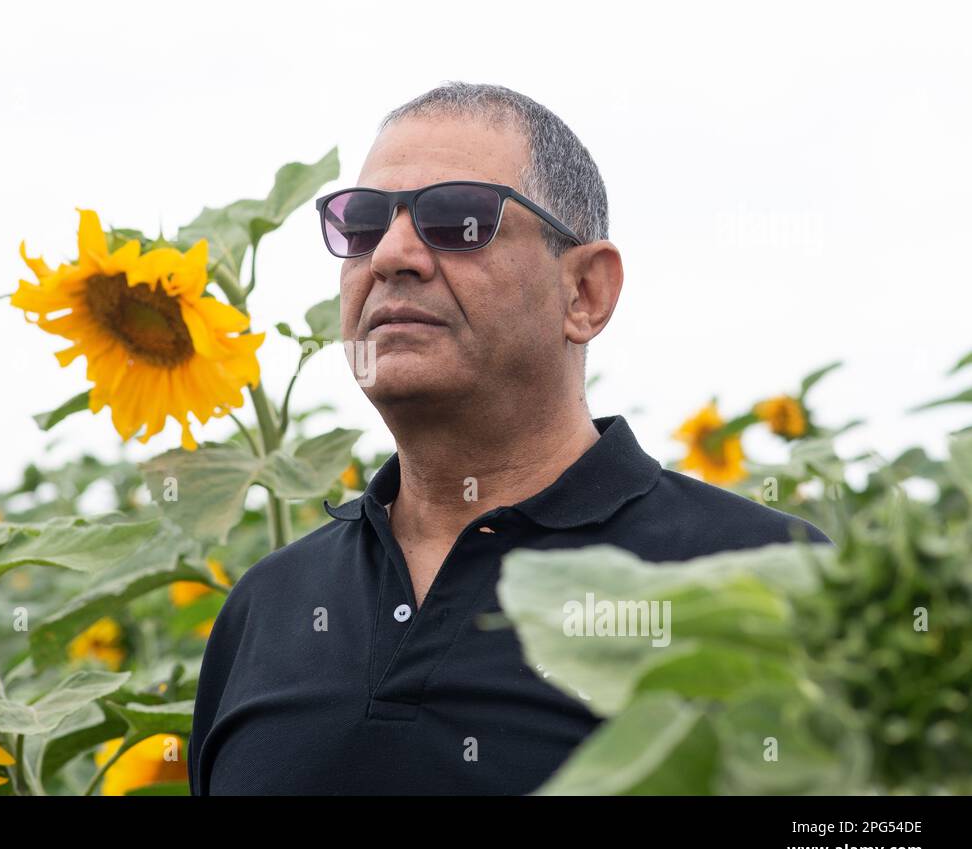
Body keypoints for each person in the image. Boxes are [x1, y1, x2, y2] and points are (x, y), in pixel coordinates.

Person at [188, 81, 831, 795]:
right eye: (362, 224)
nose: (391, 255)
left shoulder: (768, 577)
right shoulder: (266, 606)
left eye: (459, 220)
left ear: (584, 292)